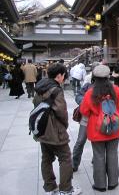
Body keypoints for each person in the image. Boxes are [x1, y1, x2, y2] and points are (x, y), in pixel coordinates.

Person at [33, 63, 82, 195]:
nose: (64, 79)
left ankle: (50, 188)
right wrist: (64, 126)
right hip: (55, 130)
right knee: (65, 158)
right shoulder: (56, 90)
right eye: (64, 76)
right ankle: (66, 189)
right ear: (59, 75)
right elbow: (62, 112)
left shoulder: (40, 86)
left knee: (46, 158)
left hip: (41, 129)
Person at [80, 65, 119, 192]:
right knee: (113, 154)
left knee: (98, 156)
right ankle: (113, 182)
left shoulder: (90, 92)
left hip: (96, 129)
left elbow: (84, 111)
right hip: (114, 127)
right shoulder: (115, 89)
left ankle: (100, 185)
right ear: (108, 76)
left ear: (94, 77)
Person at [72, 62, 100, 172]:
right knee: (80, 140)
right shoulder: (88, 85)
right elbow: (78, 95)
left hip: (98, 119)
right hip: (86, 118)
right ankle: (74, 163)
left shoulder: (106, 86)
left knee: (97, 141)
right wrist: (85, 102)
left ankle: (96, 160)